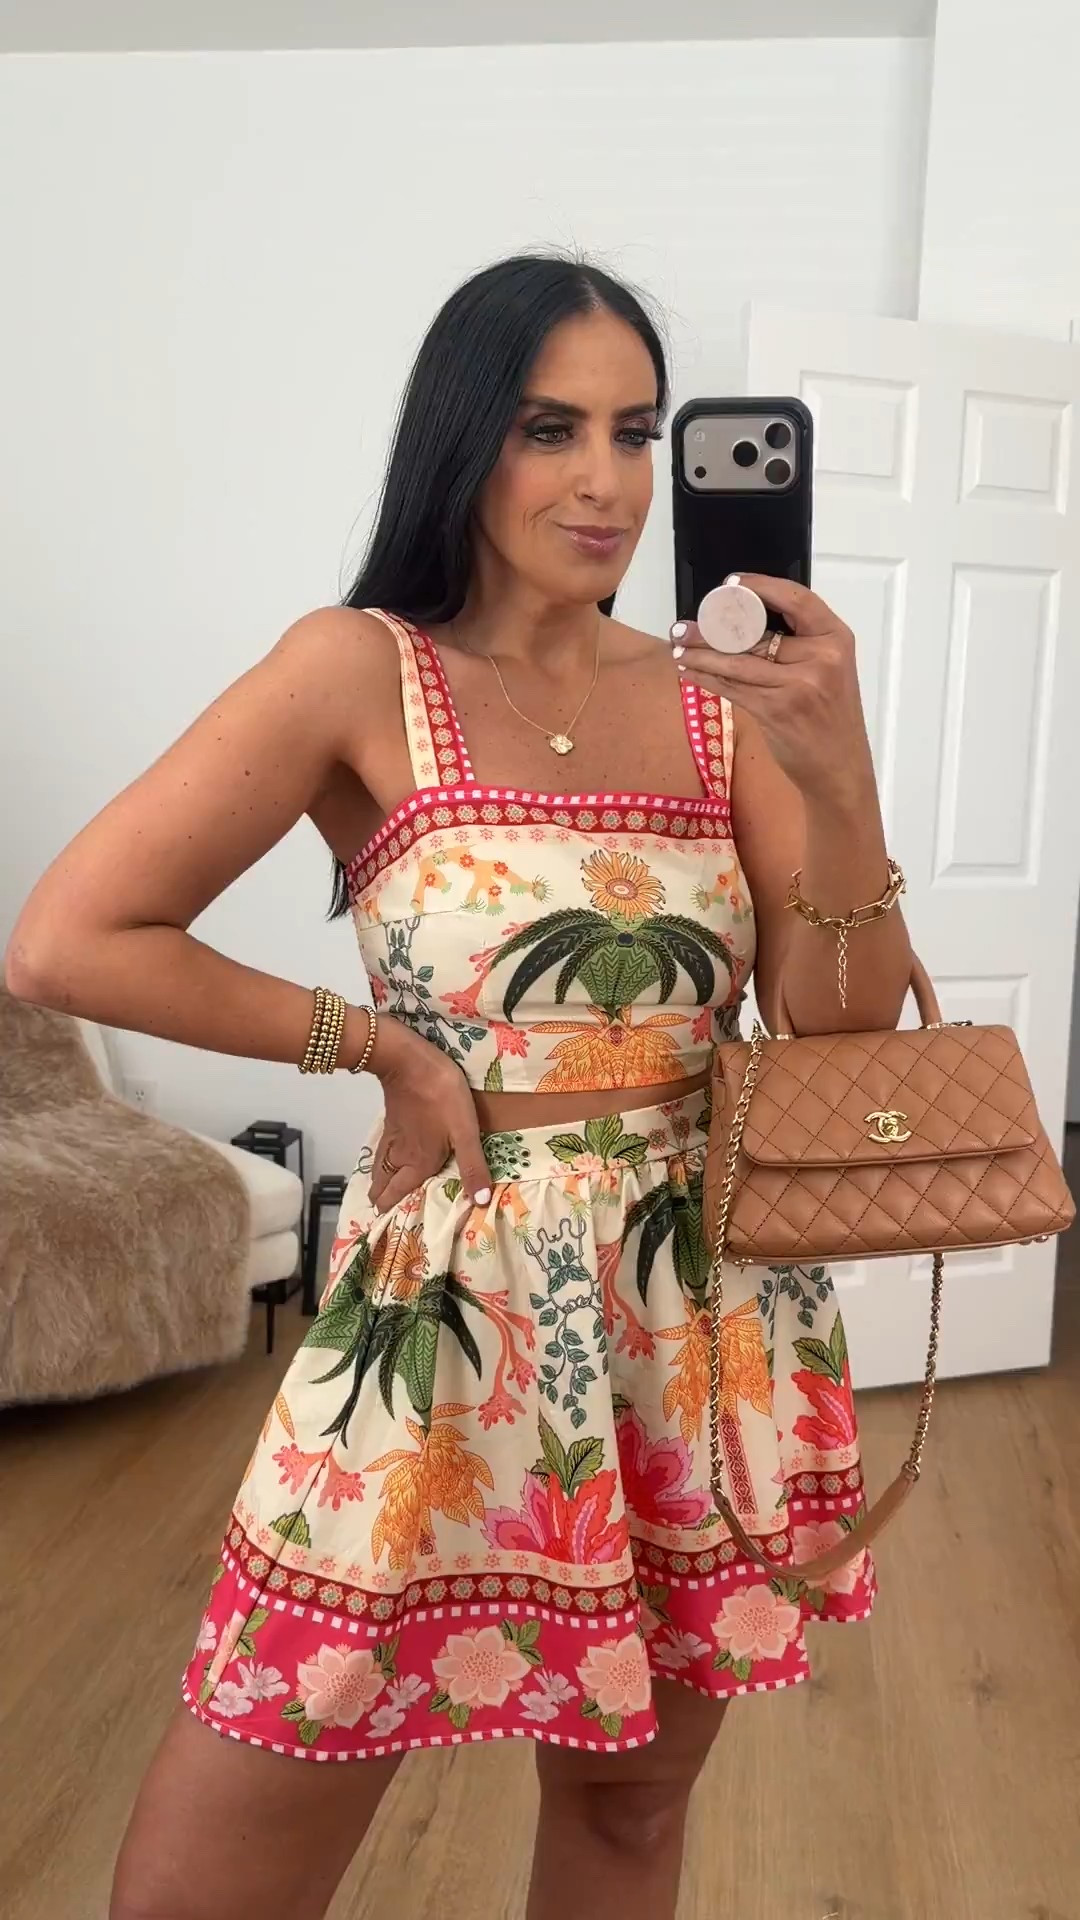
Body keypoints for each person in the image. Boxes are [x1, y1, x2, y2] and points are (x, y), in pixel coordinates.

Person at [6, 253, 910, 1920]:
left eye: (636, 431)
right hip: (445, 1310)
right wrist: (380, 1047)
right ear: (461, 439)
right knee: (238, 1821)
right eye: (549, 429)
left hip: (702, 1311)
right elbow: (69, 941)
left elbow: (839, 1028)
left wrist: (837, 773)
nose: (607, 481)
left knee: (630, 1814)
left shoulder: (721, 705)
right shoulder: (358, 669)